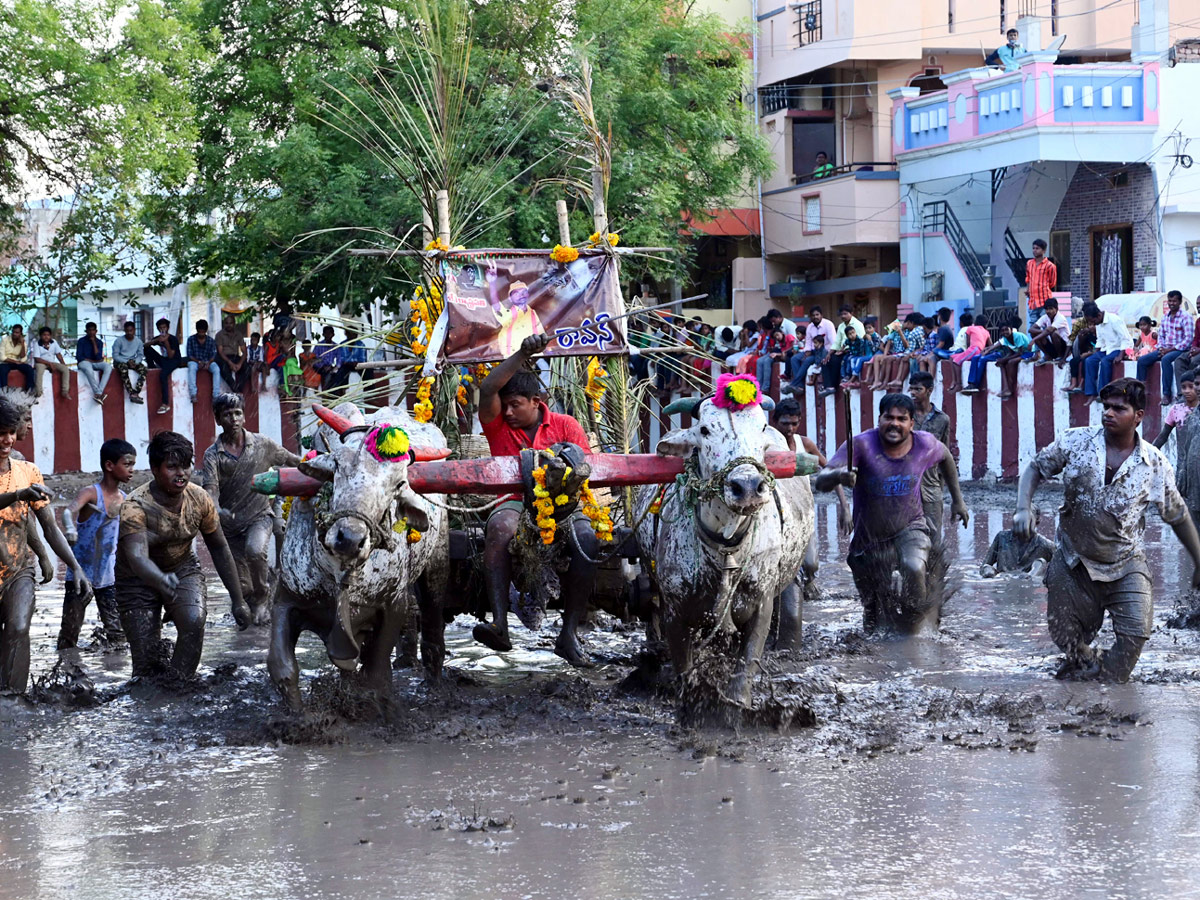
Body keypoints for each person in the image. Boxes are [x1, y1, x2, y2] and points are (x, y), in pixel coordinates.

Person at [1014, 378, 1200, 682]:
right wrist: (1023, 508)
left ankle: (1111, 694)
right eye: (1106, 407)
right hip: (1073, 558)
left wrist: (1198, 559)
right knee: (1064, 635)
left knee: (1136, 635)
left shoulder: (1153, 463)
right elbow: (1036, 468)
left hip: (1125, 561)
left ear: (1138, 415)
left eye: (1119, 408)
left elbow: (1177, 516)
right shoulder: (1076, 442)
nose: (1108, 413)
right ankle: (1085, 669)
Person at [476, 333, 596, 666]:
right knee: (500, 528)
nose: (509, 412)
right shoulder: (498, 425)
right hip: (513, 501)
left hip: (565, 505)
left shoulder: (566, 425)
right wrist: (522, 353)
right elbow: (487, 391)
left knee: (586, 538)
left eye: (516, 405)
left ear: (537, 400)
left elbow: (584, 468)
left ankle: (569, 634)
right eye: (506, 405)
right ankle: (500, 624)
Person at [815, 393, 968, 634]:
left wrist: (958, 501)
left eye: (901, 419)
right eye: (889, 417)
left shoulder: (925, 444)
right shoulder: (861, 445)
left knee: (914, 566)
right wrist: (839, 476)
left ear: (911, 424)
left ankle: (917, 631)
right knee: (873, 612)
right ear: (879, 419)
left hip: (911, 526)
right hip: (869, 538)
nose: (894, 423)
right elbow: (820, 482)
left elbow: (947, 457)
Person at [115, 430, 251, 679]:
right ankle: (149, 702)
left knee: (194, 620)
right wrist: (159, 580)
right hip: (136, 580)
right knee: (145, 665)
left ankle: (179, 684)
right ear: (155, 469)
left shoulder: (200, 498)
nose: (181, 474)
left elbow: (219, 547)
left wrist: (238, 599)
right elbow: (136, 557)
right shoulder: (135, 506)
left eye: (186, 466)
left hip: (182, 566)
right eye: (172, 467)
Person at [0, 400, 91, 693]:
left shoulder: (28, 471)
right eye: (0, 432)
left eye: (11, 432)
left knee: (17, 628)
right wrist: (16, 495)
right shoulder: (21, 487)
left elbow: (49, 526)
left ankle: (16, 700)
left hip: (17, 569)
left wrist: (75, 566)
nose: (7, 440)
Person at [202, 393, 301, 625]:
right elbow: (211, 490)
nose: (234, 419)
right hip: (229, 526)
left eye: (238, 413)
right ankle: (254, 600)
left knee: (255, 551)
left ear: (244, 417)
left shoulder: (262, 444)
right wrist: (216, 508)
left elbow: (290, 460)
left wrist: (316, 464)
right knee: (242, 585)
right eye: (227, 414)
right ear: (218, 419)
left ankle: (264, 596)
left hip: (259, 517)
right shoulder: (212, 455)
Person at [771, 399, 850, 648]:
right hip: (775, 514)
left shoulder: (805, 444)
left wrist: (844, 506)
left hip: (803, 513)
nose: (790, 429)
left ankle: (807, 584)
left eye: (794, 423)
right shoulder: (768, 443)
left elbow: (830, 471)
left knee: (811, 563)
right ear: (775, 422)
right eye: (785, 424)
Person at [57, 439, 136, 649]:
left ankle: (114, 671)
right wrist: (70, 528)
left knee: (118, 635)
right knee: (69, 634)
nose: (132, 470)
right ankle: (67, 667)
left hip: (109, 576)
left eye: (132, 465)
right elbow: (68, 511)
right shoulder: (91, 494)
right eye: (127, 464)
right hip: (80, 574)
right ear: (110, 466)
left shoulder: (126, 499)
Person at [909, 371, 951, 534]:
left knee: (933, 536)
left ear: (930, 390)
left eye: (917, 389)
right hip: (905, 484)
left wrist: (940, 489)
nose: (913, 393)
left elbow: (944, 457)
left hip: (931, 486)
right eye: (911, 389)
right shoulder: (904, 415)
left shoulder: (942, 420)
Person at [1155, 376, 1200, 524]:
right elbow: (1163, 436)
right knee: (1190, 507)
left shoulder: (1197, 412)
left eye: (1191, 386)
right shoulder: (1176, 410)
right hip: (1184, 467)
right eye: (1183, 387)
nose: (1187, 391)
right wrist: (1149, 453)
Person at [1137, 290, 1192, 406]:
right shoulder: (1165, 317)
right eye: (1170, 301)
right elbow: (1161, 335)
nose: (1171, 303)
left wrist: (1168, 350)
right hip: (1164, 349)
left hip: (1180, 349)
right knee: (1142, 361)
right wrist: (1161, 348)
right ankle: (1139, 392)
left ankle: (1167, 394)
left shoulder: (1186, 317)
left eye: (1174, 301)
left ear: (1180, 302)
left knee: (1166, 359)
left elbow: (1188, 340)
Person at [963, 317, 1032, 398]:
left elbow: (1019, 352)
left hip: (1023, 353)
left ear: (1011, 329)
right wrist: (987, 350)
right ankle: (971, 383)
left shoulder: (1016, 335)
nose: (1005, 332)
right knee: (976, 358)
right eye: (1002, 330)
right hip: (1007, 353)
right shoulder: (1006, 338)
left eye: (1006, 329)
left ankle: (977, 384)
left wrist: (1003, 358)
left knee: (986, 359)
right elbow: (1003, 347)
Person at [980, 508, 1054, 578]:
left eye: (1027, 520)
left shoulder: (1045, 544)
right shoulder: (1002, 537)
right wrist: (989, 572)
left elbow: (1060, 567)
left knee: (1041, 562)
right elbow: (985, 565)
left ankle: (1030, 576)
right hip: (1004, 579)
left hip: (1028, 578)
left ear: (1036, 522)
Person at [1081, 301, 1132, 401]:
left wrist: (1120, 355)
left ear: (1099, 315)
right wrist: (1096, 353)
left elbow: (1125, 339)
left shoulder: (1114, 320)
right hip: (1107, 349)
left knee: (1105, 361)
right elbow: (1100, 340)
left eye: (1093, 321)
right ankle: (1091, 392)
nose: (1093, 324)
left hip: (1119, 348)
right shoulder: (1098, 323)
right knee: (1089, 361)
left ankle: (1103, 392)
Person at [487, 267, 543, 357]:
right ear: (510, 298)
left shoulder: (532, 312)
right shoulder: (508, 313)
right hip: (513, 357)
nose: (521, 295)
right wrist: (492, 283)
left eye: (524, 292)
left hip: (535, 355)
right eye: (516, 293)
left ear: (528, 294)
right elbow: (496, 305)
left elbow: (540, 333)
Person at [784, 306, 837, 394]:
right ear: (810, 317)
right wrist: (807, 351)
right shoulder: (810, 327)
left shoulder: (828, 324)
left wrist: (829, 353)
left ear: (821, 315)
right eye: (813, 315)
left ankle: (794, 384)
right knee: (795, 358)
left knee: (807, 360)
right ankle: (799, 387)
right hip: (812, 351)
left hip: (824, 351)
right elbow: (808, 342)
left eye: (817, 315)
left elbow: (833, 341)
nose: (815, 317)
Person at [819, 305, 864, 397]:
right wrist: (829, 353)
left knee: (836, 361)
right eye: (841, 314)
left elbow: (859, 341)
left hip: (854, 351)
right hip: (842, 350)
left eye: (845, 314)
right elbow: (837, 342)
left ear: (851, 313)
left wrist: (843, 351)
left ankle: (834, 386)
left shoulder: (857, 325)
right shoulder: (841, 326)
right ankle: (828, 386)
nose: (843, 316)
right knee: (825, 361)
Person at [144, 317, 182, 414]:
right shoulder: (158, 338)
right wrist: (154, 342)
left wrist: (166, 342)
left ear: (168, 327)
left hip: (174, 361)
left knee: (163, 375)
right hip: (164, 360)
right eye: (160, 328)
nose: (162, 329)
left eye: (164, 327)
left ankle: (165, 403)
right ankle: (151, 367)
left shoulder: (173, 339)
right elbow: (145, 346)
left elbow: (171, 355)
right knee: (147, 350)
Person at [946, 312, 990, 393]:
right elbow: (990, 345)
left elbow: (968, 343)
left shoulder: (970, 328)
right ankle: (954, 382)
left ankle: (958, 384)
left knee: (956, 362)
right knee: (952, 358)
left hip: (973, 349)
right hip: (977, 350)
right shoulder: (986, 332)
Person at [28, 327, 70, 399]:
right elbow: (37, 359)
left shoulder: (53, 342)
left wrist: (63, 363)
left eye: (48, 335)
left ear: (50, 336)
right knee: (39, 370)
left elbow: (58, 355)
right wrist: (49, 364)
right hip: (41, 362)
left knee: (65, 369)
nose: (46, 336)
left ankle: (65, 391)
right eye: (44, 335)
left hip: (52, 362)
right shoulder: (37, 344)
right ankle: (38, 391)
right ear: (41, 336)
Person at [76, 321, 112, 404]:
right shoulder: (81, 341)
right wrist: (92, 360)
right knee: (88, 369)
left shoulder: (99, 342)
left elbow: (98, 357)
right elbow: (79, 357)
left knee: (108, 367)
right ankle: (98, 393)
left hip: (94, 362)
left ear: (96, 331)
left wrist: (93, 342)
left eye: (93, 330)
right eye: (89, 330)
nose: (91, 332)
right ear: (86, 331)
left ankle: (99, 392)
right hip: (84, 363)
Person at [111, 320, 148, 404]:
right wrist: (127, 362)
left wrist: (135, 362)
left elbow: (140, 355)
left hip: (132, 361)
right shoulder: (119, 341)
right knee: (124, 369)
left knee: (144, 369)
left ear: (134, 330)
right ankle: (131, 392)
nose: (129, 332)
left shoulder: (138, 341)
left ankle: (136, 392)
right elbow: (115, 356)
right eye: (127, 330)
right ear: (124, 330)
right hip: (120, 361)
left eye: (131, 330)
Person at [186, 319, 221, 403]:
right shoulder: (191, 339)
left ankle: (216, 395)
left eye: (203, 332)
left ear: (205, 331)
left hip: (208, 362)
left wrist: (208, 363)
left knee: (216, 369)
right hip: (195, 361)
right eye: (199, 332)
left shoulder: (210, 340)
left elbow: (213, 354)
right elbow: (190, 355)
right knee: (191, 366)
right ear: (197, 330)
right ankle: (193, 394)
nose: (201, 334)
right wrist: (198, 362)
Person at [1029, 297, 1070, 364]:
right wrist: (1042, 332)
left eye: (1051, 309)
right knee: (1034, 333)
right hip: (1054, 347)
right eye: (1047, 309)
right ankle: (1047, 356)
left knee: (1053, 333)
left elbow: (1049, 330)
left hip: (1065, 348)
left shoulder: (1061, 318)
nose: (1048, 311)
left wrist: (1033, 340)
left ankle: (1060, 356)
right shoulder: (1045, 317)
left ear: (1056, 309)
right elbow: (1031, 329)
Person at [1064, 315, 1098, 393]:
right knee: (1073, 361)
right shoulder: (1089, 336)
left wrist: (1088, 354)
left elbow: (1100, 348)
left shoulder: (1100, 335)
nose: (1091, 327)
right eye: (1089, 325)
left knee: (1085, 361)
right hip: (1088, 353)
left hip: (1095, 354)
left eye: (1093, 325)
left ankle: (1082, 384)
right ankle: (1073, 383)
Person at [215, 314, 249, 394]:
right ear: (224, 324)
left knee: (248, 368)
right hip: (223, 357)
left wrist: (240, 364)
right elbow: (220, 351)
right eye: (226, 323)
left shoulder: (239, 334)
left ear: (234, 324)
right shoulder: (219, 335)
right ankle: (235, 389)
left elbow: (244, 351)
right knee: (223, 368)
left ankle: (239, 388)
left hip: (235, 356)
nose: (228, 325)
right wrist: (230, 363)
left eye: (230, 323)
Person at [755, 326, 795, 392]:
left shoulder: (789, 336)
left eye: (777, 335)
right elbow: (781, 353)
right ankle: (758, 386)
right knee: (759, 361)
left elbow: (793, 346)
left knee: (767, 361)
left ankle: (765, 388)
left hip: (789, 356)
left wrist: (781, 353)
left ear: (782, 333)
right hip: (781, 356)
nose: (777, 337)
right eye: (775, 337)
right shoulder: (780, 343)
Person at [1025, 238, 1056, 321]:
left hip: (1044, 301)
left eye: (1037, 248)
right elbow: (1028, 278)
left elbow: (1052, 283)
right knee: (1033, 325)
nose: (1035, 250)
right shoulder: (1029, 263)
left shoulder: (1050, 266)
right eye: (1033, 248)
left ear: (1044, 250)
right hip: (1032, 301)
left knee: (1046, 324)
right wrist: (1028, 289)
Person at [0, 324, 35, 393]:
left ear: (20, 333)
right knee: (2, 370)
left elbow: (23, 358)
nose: (14, 334)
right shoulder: (5, 340)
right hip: (6, 362)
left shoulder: (23, 342)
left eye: (17, 333)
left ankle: (29, 390)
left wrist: (22, 344)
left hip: (17, 363)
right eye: (13, 332)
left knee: (29, 369)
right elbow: (1, 357)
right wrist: (15, 362)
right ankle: (3, 391)